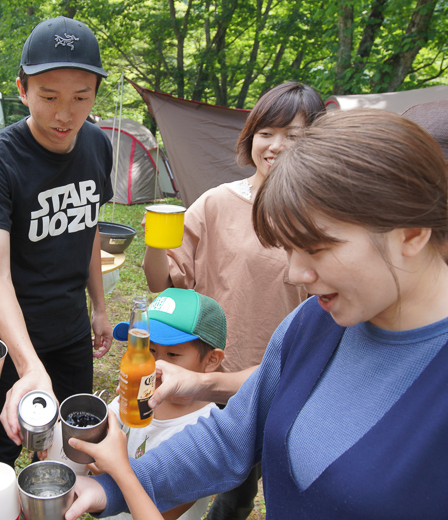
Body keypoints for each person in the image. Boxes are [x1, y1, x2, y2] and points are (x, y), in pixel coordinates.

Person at [67, 109, 448, 519]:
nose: (295, 273)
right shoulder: (313, 324)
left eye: (317, 248)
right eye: (288, 249)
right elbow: (232, 438)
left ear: (409, 233)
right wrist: (112, 488)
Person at [141, 81, 323, 520]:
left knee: (241, 492)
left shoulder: (320, 217)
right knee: (182, 475)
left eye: (294, 136)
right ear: (251, 136)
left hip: (277, 378)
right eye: (266, 132)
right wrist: (153, 241)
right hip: (203, 369)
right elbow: (160, 281)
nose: (276, 146)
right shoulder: (217, 202)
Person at [0, 16, 114, 467]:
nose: (64, 114)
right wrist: (28, 366)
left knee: (73, 438)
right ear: (22, 90)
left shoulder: (96, 145)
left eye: (80, 98)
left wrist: (99, 307)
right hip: (12, 335)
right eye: (48, 97)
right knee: (5, 439)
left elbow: (89, 228)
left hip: (69, 329)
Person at [105, 288, 225, 520]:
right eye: (149, 350)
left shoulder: (206, 435)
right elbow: (106, 419)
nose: (155, 365)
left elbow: (163, 512)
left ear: (211, 360)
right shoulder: (140, 390)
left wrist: (110, 467)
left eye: (172, 355)